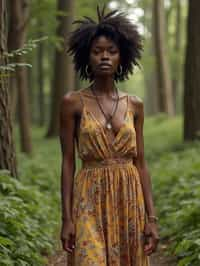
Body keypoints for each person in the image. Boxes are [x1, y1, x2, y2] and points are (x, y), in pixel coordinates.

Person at [59, 6, 159, 266]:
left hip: (129, 198)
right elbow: (68, 162)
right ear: (87, 57)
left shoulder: (135, 105)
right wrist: (67, 219)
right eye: (97, 51)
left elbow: (141, 163)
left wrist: (151, 218)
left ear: (122, 58)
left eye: (111, 51)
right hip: (88, 198)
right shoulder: (72, 103)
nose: (104, 57)